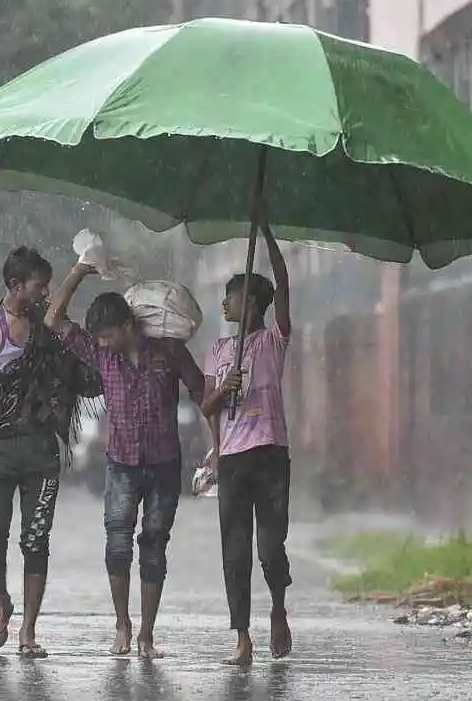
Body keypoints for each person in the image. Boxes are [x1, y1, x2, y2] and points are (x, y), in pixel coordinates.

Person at [0, 246, 104, 659]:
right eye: (38, 287)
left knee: (36, 541)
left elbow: (83, 373)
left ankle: (28, 631)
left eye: (47, 287)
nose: (43, 293)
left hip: (40, 449)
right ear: (16, 286)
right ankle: (2, 599)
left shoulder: (46, 329)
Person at [44, 263, 205, 659]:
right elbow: (53, 319)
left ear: (128, 326)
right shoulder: (103, 358)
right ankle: (122, 624)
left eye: (106, 335)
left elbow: (204, 394)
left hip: (165, 465)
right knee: (117, 546)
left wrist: (218, 446)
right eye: (97, 338)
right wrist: (81, 269)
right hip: (120, 464)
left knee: (154, 546)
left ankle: (147, 634)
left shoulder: (169, 352)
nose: (100, 343)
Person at [199, 219, 293, 666]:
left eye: (231, 295)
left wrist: (267, 232)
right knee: (234, 553)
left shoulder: (274, 340)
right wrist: (224, 387)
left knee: (270, 549)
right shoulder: (218, 350)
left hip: (271, 455)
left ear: (252, 303)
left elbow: (284, 283)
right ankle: (241, 637)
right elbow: (207, 407)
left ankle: (278, 607)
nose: (224, 302)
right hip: (234, 460)